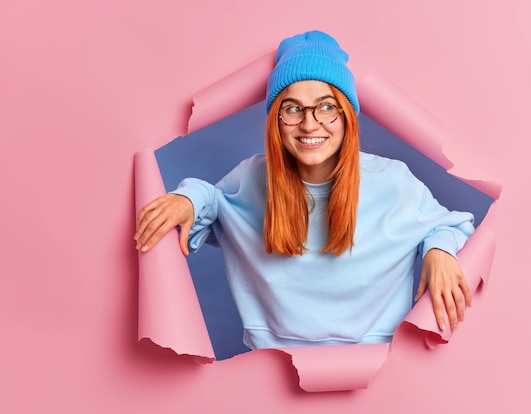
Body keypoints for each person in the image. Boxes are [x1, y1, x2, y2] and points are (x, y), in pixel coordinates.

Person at [135, 30, 475, 350]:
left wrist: (440, 250)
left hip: (377, 374)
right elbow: (211, 200)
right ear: (276, 120)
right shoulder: (254, 177)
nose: (310, 124)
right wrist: (186, 197)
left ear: (346, 116)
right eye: (293, 108)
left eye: (326, 106)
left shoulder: (392, 180)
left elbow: (451, 224)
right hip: (273, 375)